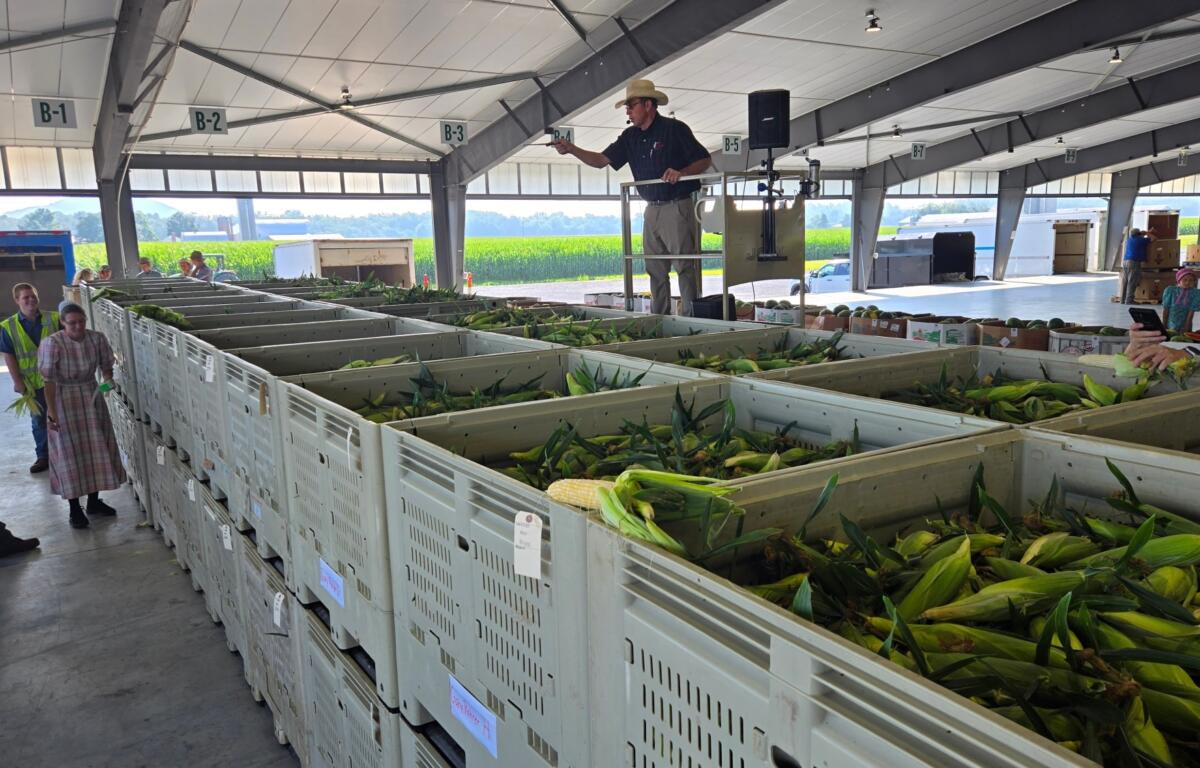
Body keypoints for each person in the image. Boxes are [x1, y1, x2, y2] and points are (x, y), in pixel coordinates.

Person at [553, 79, 711, 316]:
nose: (628, 111)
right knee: (654, 268)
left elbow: (704, 159)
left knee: (684, 265)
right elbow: (601, 160)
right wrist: (572, 149)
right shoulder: (630, 136)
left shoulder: (674, 129)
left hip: (677, 205)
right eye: (627, 106)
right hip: (651, 208)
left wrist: (683, 173)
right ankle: (659, 318)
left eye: (631, 105)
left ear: (648, 105)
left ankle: (692, 318)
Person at [37, 303, 125, 529]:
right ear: (63, 323)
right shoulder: (53, 343)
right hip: (63, 398)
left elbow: (106, 364)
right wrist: (52, 413)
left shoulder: (96, 338)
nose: (78, 326)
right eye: (72, 323)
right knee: (70, 454)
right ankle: (74, 509)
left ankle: (94, 502)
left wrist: (107, 378)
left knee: (95, 448)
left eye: (81, 321)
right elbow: (48, 381)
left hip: (90, 395)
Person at [1, 283, 60, 472]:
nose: (31, 300)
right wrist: (17, 382)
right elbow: (8, 355)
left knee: (63, 415)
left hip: (57, 380)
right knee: (39, 419)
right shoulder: (8, 326)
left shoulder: (54, 318)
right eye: (25, 297)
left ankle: (64, 453)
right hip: (32, 384)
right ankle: (43, 456)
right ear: (17, 300)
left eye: (33, 296)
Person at [1121, 227, 1156, 304]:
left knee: (1125, 281)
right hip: (1133, 262)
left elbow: (1140, 236)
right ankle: (1129, 300)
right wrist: (1148, 233)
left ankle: (1122, 300)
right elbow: (1154, 238)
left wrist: (1144, 232)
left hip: (1125, 262)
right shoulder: (1141, 240)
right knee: (1132, 281)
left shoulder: (1129, 240)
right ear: (1139, 234)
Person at [1160, 267, 1200, 334]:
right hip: (1170, 322)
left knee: (1183, 337)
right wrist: (1164, 325)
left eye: (1191, 280)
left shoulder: (1195, 293)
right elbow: (1166, 310)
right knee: (1170, 336)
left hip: (1186, 323)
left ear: (1194, 281)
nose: (1187, 282)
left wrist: (1186, 327)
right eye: (1185, 280)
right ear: (1179, 280)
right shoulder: (1170, 291)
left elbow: (1191, 313)